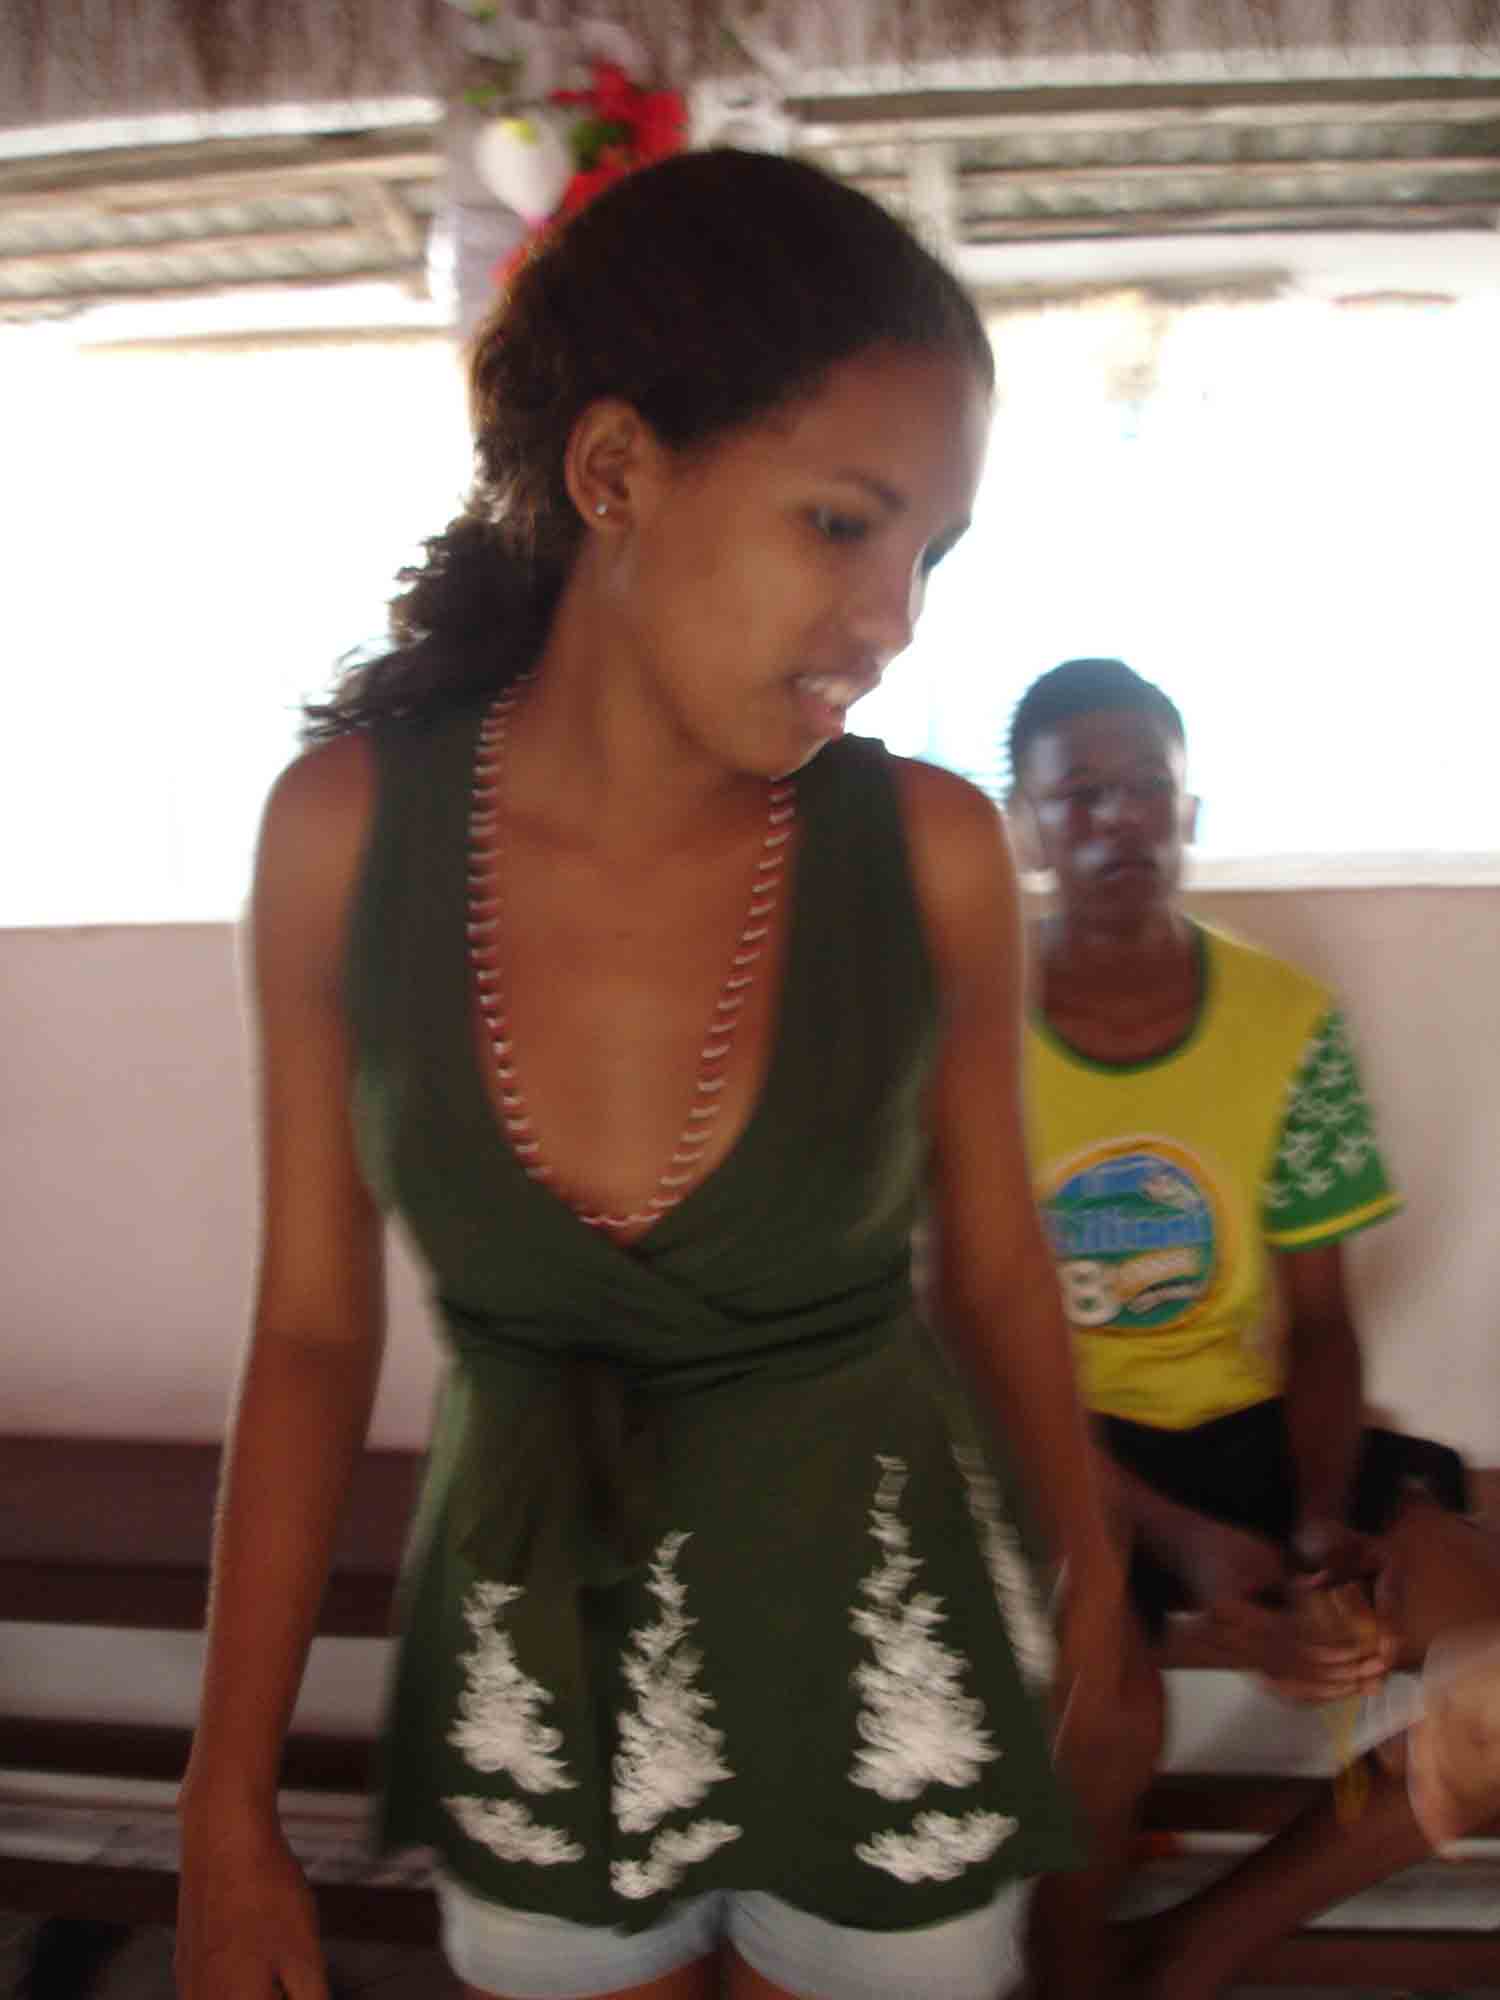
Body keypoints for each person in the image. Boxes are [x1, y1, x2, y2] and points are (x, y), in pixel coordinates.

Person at [174, 151, 1144, 2000]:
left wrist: (1089, 1565)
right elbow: (307, 1330)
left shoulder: (927, 852)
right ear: (615, 470)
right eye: (843, 525)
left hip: (882, 1634)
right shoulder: (346, 841)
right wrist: (228, 1799)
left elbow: (998, 1257)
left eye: (931, 557)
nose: (896, 618)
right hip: (540, 1642)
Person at [1006, 655, 1496, 1998]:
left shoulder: (1283, 1022)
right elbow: (975, 1347)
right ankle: (1069, 1977)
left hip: (1248, 1434)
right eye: (1080, 794)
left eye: (1148, 789)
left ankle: (1194, 1952)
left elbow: (1322, 1327)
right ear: (1025, 826)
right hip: (1052, 1445)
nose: (1119, 819)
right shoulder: (973, 1032)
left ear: (1192, 813)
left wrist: (1316, 1527)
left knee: (1486, 1664)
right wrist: (1176, 1540)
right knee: (1103, 1706)